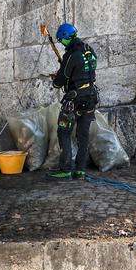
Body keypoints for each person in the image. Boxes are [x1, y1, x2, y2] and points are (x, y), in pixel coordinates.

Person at [48, 23, 98, 180]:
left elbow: (59, 82)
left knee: (64, 132)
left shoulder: (71, 56)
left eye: (62, 40)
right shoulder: (89, 50)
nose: (62, 44)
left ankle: (66, 169)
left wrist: (56, 77)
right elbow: (84, 71)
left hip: (75, 99)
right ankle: (80, 170)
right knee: (83, 136)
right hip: (91, 97)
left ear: (67, 38)